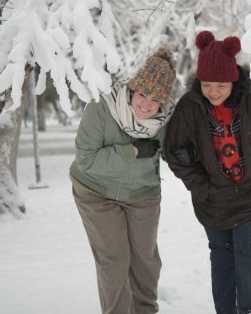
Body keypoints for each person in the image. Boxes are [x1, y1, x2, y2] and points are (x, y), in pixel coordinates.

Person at [164, 31, 251, 314]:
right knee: (223, 255)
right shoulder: (190, 106)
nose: (213, 91)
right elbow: (175, 151)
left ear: (234, 79)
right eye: (207, 84)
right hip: (213, 200)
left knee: (249, 249)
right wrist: (202, 187)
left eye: (221, 85)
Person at [70, 47, 176, 314]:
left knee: (146, 261)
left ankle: (145, 310)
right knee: (114, 260)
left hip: (142, 194)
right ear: (132, 90)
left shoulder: (165, 121)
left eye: (155, 99)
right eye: (142, 94)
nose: (146, 104)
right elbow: (86, 160)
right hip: (95, 192)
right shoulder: (102, 108)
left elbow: (176, 154)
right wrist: (133, 152)